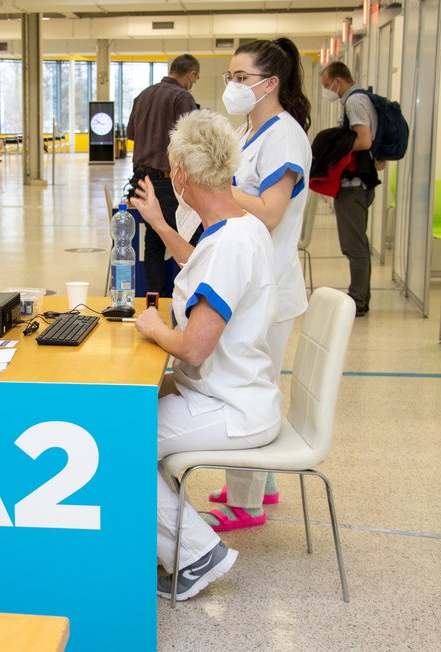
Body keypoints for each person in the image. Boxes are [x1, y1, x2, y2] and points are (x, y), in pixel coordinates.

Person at [132, 109, 281, 601]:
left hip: (228, 406)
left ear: (181, 175)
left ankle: (195, 554)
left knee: (118, 443)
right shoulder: (240, 228)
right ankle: (176, 543)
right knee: (129, 423)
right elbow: (197, 261)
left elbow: (194, 346)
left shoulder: (229, 247)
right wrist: (156, 220)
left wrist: (154, 328)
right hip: (238, 392)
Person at [204, 37, 314, 532]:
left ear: (270, 84)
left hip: (270, 288)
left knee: (249, 388)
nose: (233, 86)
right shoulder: (252, 131)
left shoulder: (285, 138)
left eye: (241, 78)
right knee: (251, 380)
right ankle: (259, 483)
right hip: (252, 283)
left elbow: (270, 212)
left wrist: (219, 190)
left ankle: (247, 505)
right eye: (229, 77)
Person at [126, 53, 200, 295]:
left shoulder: (143, 95)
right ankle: (188, 298)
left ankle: (154, 300)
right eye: (195, 78)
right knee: (188, 240)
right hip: (168, 183)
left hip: (141, 180)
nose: (194, 82)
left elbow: (131, 133)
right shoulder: (183, 97)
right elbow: (192, 141)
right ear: (190, 74)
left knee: (154, 242)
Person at [321, 61, 378, 317]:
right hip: (356, 185)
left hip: (353, 186)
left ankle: (358, 300)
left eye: (326, 85)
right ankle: (360, 296)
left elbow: (363, 139)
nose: (327, 90)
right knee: (357, 244)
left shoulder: (354, 101)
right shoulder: (358, 100)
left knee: (353, 245)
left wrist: (335, 148)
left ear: (338, 81)